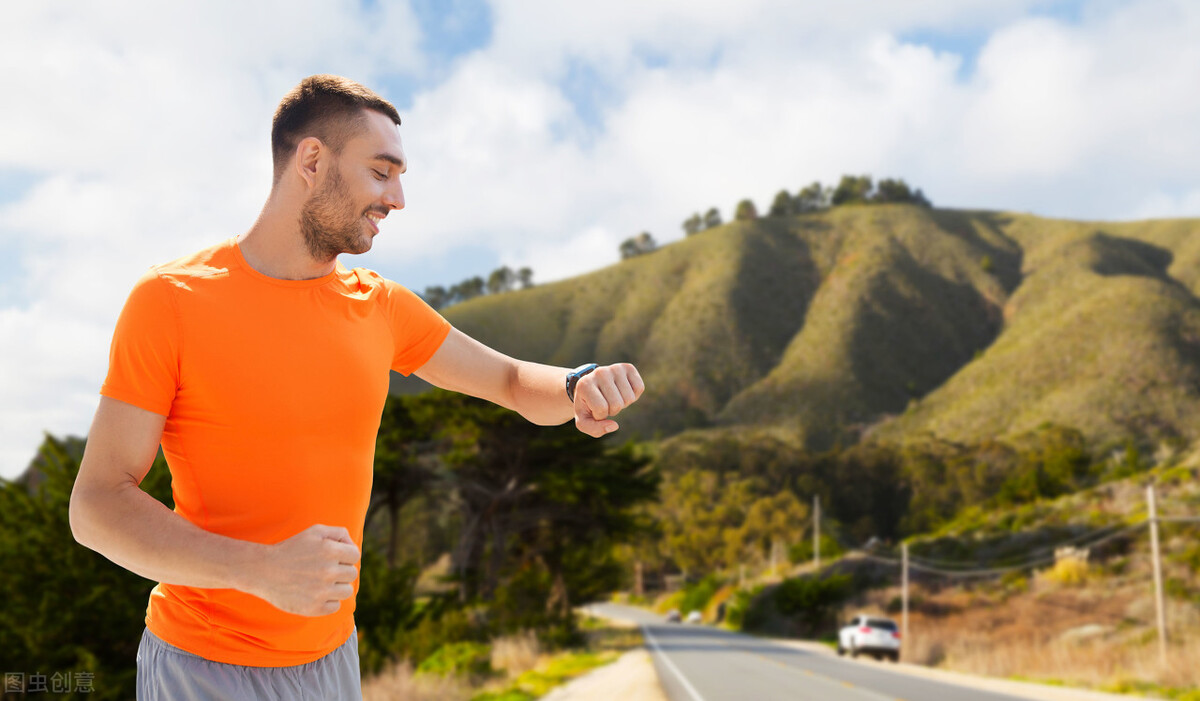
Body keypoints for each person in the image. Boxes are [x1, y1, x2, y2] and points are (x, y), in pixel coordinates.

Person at [68, 74, 645, 700]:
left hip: (333, 661)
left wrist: (578, 384)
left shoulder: (382, 308)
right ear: (312, 160)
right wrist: (259, 571)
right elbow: (96, 506)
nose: (397, 198)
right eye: (381, 171)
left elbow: (508, 380)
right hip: (203, 667)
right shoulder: (171, 301)